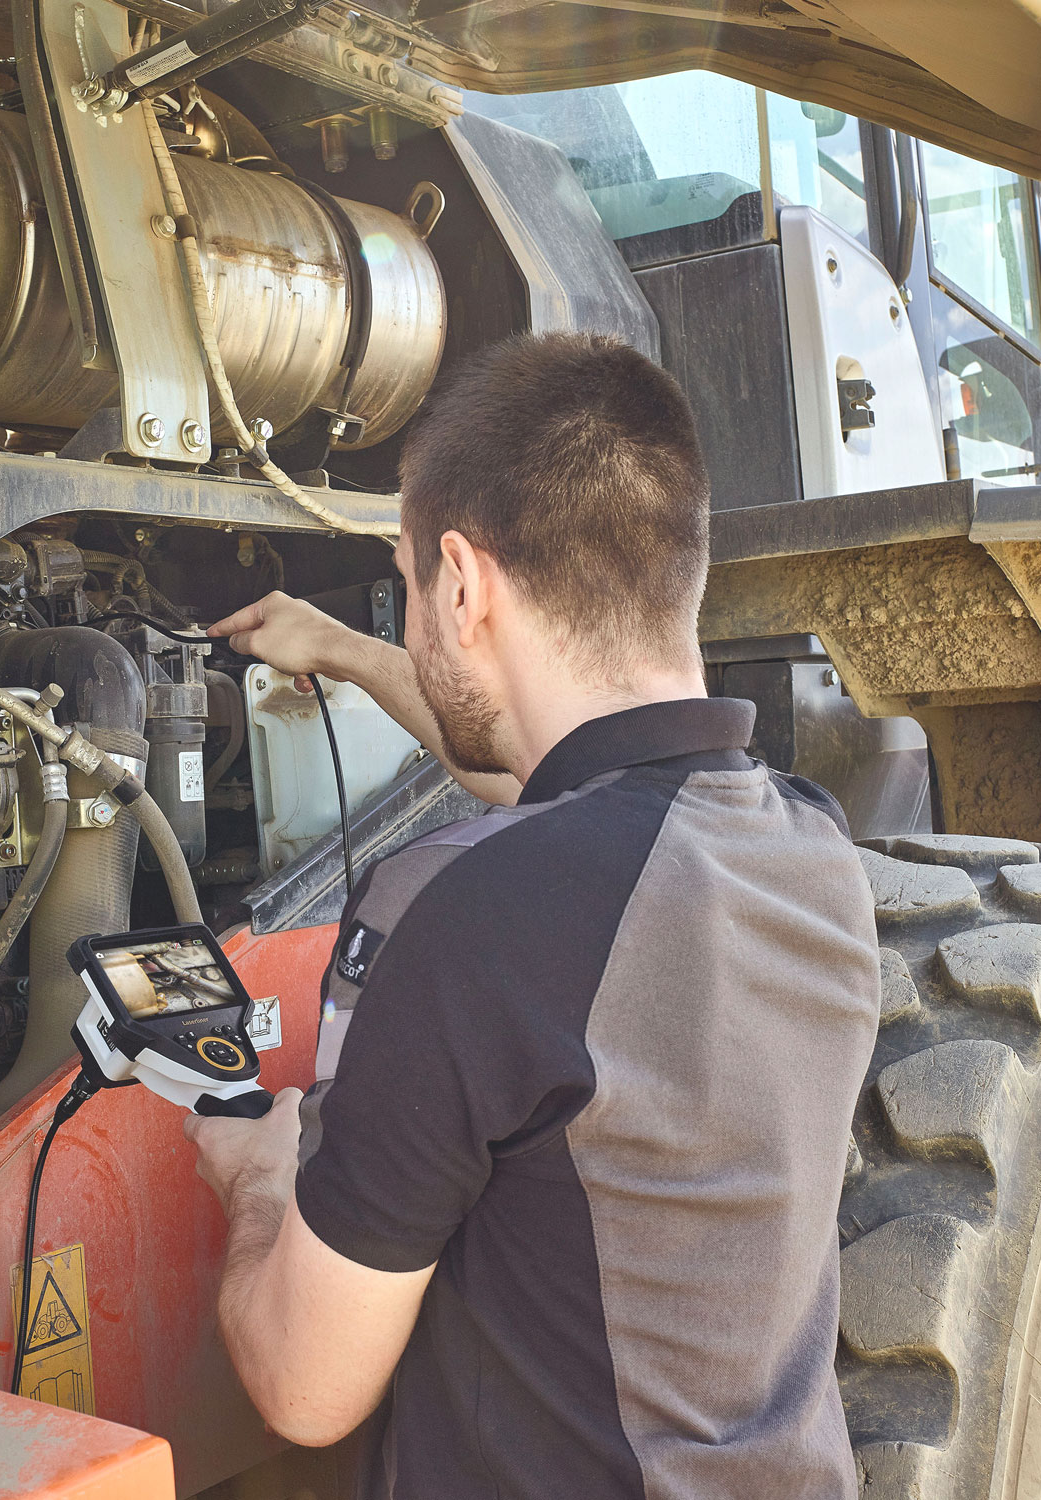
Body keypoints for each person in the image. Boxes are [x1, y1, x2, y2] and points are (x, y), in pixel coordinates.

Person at [186, 331, 881, 1499]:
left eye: (408, 585)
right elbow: (560, 795)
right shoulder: (812, 847)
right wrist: (346, 653)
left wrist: (259, 1180)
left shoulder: (462, 918)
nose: (412, 615)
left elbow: (305, 1390)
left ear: (462, 584)